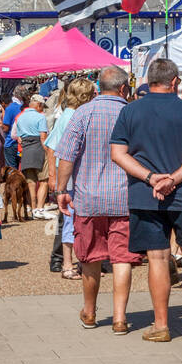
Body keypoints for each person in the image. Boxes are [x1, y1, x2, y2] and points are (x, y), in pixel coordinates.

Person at [109, 58, 182, 342]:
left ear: (148, 80)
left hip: (145, 196)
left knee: (157, 257)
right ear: (175, 81)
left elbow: (118, 154)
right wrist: (174, 179)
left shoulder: (130, 112)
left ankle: (161, 324)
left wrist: (151, 177)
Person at [57, 66, 141, 334]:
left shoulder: (83, 112)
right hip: (124, 198)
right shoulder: (132, 113)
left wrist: (61, 190)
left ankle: (90, 312)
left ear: (98, 89)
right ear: (124, 89)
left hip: (89, 198)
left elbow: (67, 156)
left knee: (90, 257)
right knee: (122, 259)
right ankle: (119, 318)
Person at [46, 77, 95, 280]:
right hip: (71, 177)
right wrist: (54, 177)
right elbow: (53, 148)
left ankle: (75, 261)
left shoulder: (70, 114)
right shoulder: (71, 116)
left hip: (71, 176)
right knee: (70, 220)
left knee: (71, 220)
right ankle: (67, 263)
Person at [14, 93, 52, 218]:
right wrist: (48, 152)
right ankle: (40, 209)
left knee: (30, 182)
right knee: (43, 180)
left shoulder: (20, 117)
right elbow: (43, 137)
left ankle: (32, 208)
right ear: (39, 104)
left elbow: (18, 138)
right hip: (39, 149)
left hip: (26, 150)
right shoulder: (40, 117)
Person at [1, 86, 29, 169]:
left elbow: (5, 128)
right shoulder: (28, 107)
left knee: (12, 170)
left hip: (11, 142)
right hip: (24, 142)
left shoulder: (10, 108)